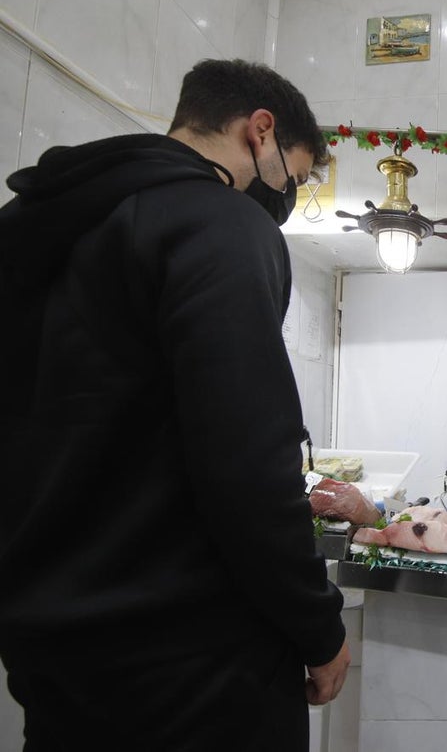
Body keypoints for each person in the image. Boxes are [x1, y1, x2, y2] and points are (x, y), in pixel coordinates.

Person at [0, 59, 349, 751]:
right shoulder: (221, 224)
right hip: (194, 663)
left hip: (50, 649)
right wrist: (319, 625)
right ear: (260, 132)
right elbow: (248, 464)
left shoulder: (29, 225)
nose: (287, 195)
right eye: (296, 175)